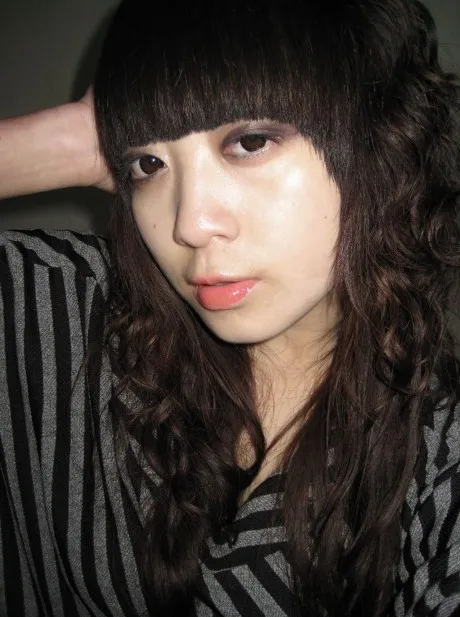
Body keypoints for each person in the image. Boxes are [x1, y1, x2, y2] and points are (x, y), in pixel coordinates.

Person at [1, 0, 460, 615]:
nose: (189, 224)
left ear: (380, 144)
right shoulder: (58, 313)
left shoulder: (440, 456)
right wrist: (63, 141)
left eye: (249, 142)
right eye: (147, 165)